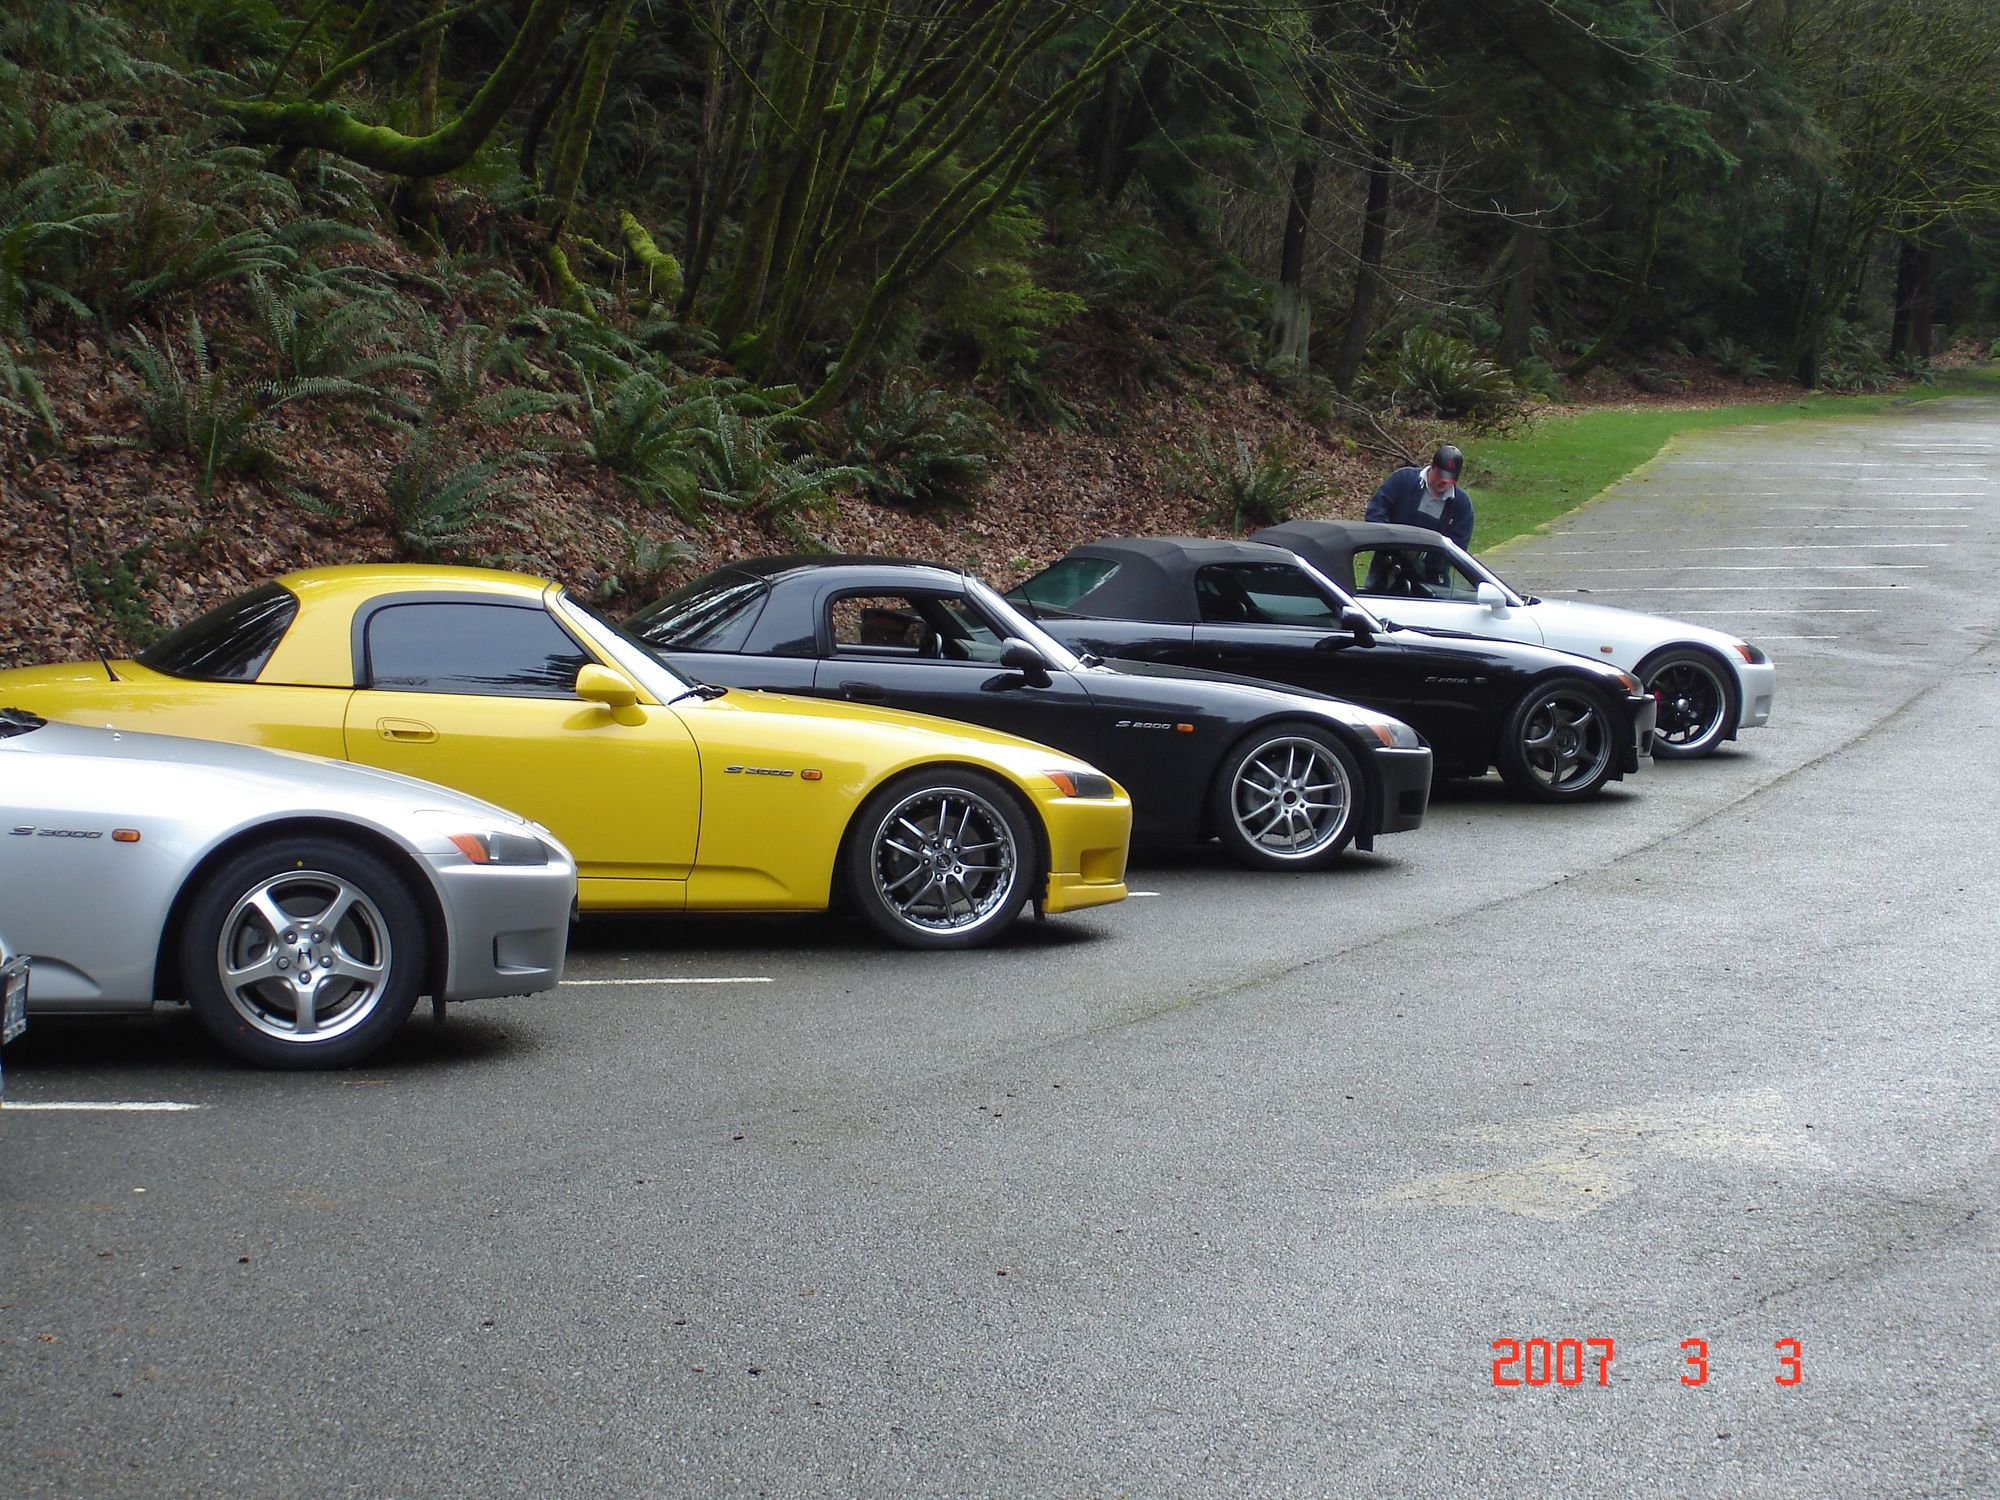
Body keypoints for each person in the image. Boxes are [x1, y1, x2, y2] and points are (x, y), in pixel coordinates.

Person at [1365, 444, 1473, 549]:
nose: (1444, 481)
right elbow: (1376, 511)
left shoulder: (1461, 505)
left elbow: (1458, 547)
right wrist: (1388, 541)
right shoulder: (1404, 479)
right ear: (1432, 466)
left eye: (1450, 478)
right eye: (1440, 475)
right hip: (1388, 555)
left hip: (1432, 561)